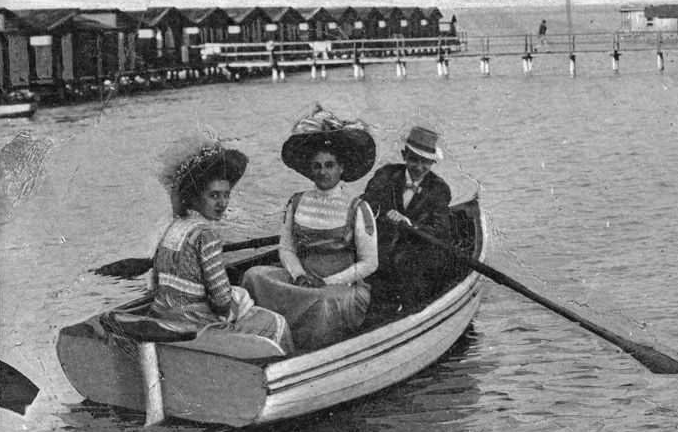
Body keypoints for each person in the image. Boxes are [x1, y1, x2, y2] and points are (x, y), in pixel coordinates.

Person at [242, 108, 379, 353]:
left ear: (341, 169)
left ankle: (304, 353)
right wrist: (298, 275)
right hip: (302, 281)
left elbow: (370, 263)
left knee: (324, 302)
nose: (323, 172)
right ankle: (266, 343)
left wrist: (327, 282)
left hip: (340, 287)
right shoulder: (296, 202)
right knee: (254, 275)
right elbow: (286, 248)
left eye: (329, 165)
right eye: (317, 166)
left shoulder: (358, 207)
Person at [146, 137, 292, 353]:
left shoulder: (173, 228)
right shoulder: (206, 235)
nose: (222, 203)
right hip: (196, 322)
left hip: (164, 315)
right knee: (274, 321)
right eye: (214, 196)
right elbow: (222, 300)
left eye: (226, 195)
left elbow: (156, 283)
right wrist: (235, 307)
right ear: (194, 198)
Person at [361, 125, 453, 316]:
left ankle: (407, 310)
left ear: (433, 162)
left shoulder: (439, 189)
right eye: (414, 159)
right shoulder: (385, 175)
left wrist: (409, 223)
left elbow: (441, 232)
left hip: (417, 255)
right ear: (404, 155)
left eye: (425, 162)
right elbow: (366, 207)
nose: (419, 167)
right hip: (383, 250)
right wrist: (383, 213)